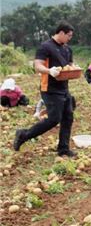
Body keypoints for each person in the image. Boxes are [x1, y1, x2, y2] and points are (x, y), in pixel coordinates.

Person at [13, 22, 77, 157]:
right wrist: (49, 71)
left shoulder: (67, 49)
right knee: (54, 119)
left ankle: (63, 149)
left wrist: (75, 69)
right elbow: (37, 65)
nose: (70, 38)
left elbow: (70, 66)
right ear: (61, 33)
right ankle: (23, 134)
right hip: (49, 88)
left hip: (64, 88)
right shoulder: (46, 47)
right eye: (68, 35)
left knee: (68, 117)